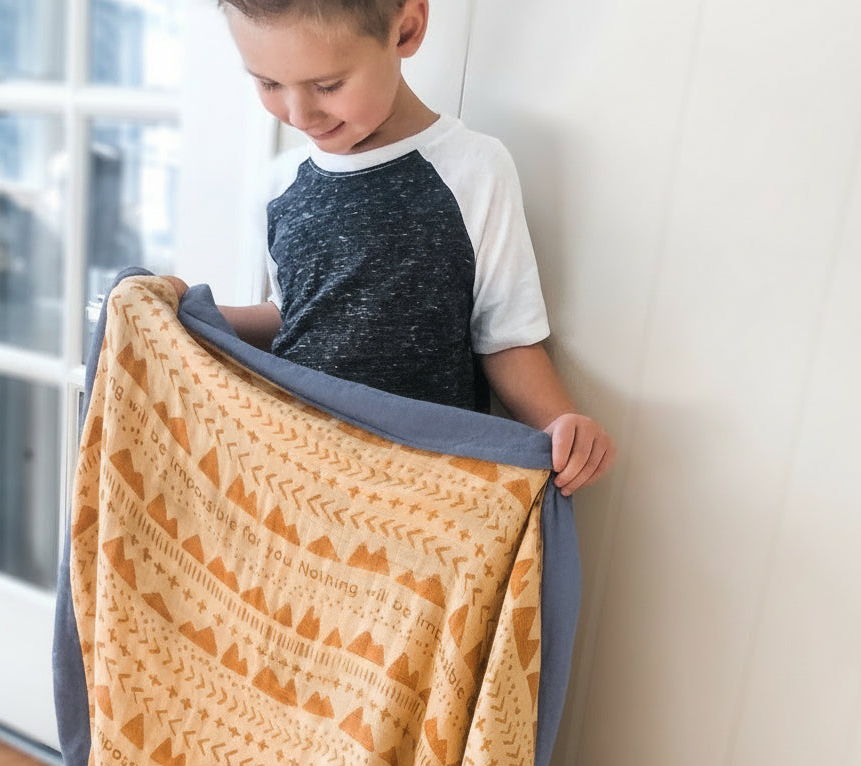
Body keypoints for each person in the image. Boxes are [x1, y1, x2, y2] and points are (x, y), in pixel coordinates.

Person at [169, 0, 614, 496]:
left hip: (423, 488)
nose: (299, 114)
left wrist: (560, 425)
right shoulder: (277, 187)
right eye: (269, 84)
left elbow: (505, 337)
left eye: (328, 86)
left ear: (406, 29)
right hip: (294, 477)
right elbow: (292, 317)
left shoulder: (473, 169)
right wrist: (187, 309)